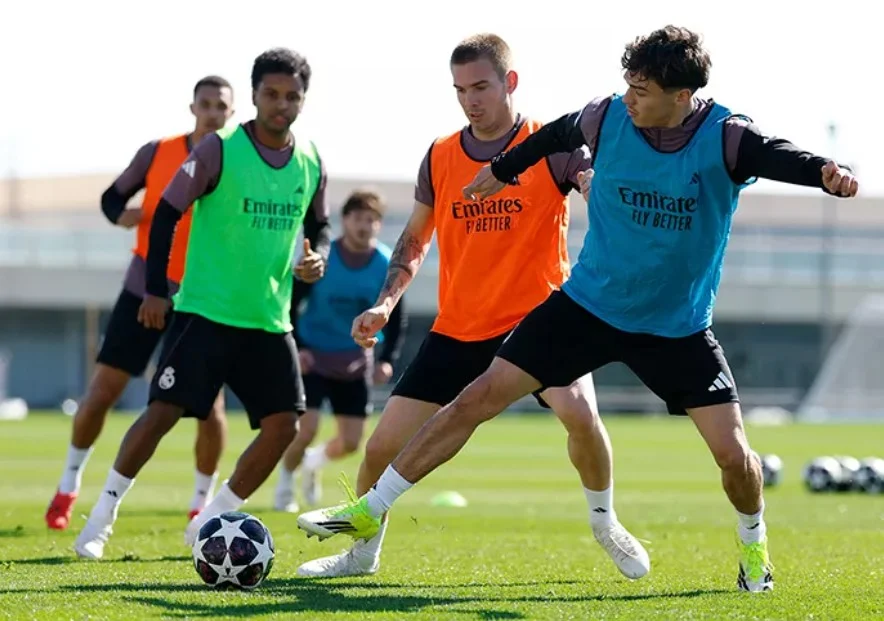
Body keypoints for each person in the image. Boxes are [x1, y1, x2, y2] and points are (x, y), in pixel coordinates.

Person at [297, 26, 862, 592]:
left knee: (734, 456)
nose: (628, 97)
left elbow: (780, 155)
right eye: (628, 84)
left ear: (681, 94)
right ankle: (373, 509)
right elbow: (553, 137)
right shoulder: (605, 116)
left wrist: (825, 174)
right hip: (586, 307)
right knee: (480, 397)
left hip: (676, 326)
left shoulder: (727, 138)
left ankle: (751, 540)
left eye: (641, 88)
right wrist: (502, 170)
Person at [295, 33, 648, 581]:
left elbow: (588, 183)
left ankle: (605, 524)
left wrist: (594, 184)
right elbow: (415, 240)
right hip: (459, 327)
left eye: (481, 86)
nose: (470, 100)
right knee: (382, 444)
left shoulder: (547, 143)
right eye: (460, 89)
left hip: (539, 324)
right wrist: (386, 303)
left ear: (509, 82)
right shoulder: (440, 155)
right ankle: (361, 555)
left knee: (581, 416)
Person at [73, 47, 331, 560]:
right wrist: (153, 290)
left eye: (292, 96)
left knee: (286, 427)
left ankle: (210, 519)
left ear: (304, 99)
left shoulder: (312, 160)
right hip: (205, 313)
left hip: (268, 319)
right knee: (161, 413)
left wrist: (315, 258)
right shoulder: (219, 149)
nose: (281, 105)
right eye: (271, 95)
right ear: (254, 95)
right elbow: (166, 214)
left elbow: (318, 227)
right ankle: (100, 518)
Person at [45, 76, 235, 531]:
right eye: (205, 104)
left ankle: (200, 502)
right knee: (101, 394)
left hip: (203, 300)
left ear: (231, 113)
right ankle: (68, 485)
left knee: (209, 408)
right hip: (141, 289)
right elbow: (112, 198)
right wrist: (123, 215)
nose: (212, 113)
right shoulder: (158, 151)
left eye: (221, 107)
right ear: (192, 107)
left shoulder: (237, 160)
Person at [273, 188, 407, 514]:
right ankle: (285, 485)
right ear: (344, 220)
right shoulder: (324, 259)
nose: (365, 225)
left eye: (372, 220)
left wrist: (387, 360)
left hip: (354, 360)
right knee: (305, 429)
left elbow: (396, 316)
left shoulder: (386, 264)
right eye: (359, 218)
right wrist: (298, 348)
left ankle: (313, 462)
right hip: (313, 358)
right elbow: (290, 305)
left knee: (350, 443)